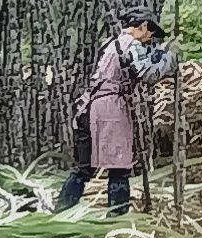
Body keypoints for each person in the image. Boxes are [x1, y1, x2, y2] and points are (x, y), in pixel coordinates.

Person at [57, 13, 175, 215]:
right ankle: (116, 218)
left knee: (84, 168)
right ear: (144, 26)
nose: (150, 39)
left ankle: (61, 210)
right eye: (151, 34)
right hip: (110, 109)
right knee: (119, 168)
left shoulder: (112, 44)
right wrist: (170, 59)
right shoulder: (132, 45)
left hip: (89, 107)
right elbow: (147, 73)